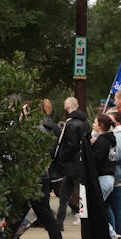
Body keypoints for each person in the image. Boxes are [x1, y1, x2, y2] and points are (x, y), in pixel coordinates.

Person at [54, 97, 88, 229]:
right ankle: (59, 222)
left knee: (70, 194)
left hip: (71, 164)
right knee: (68, 192)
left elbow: (70, 145)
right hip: (80, 162)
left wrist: (61, 157)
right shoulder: (85, 123)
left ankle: (61, 222)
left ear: (67, 106)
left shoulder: (70, 123)